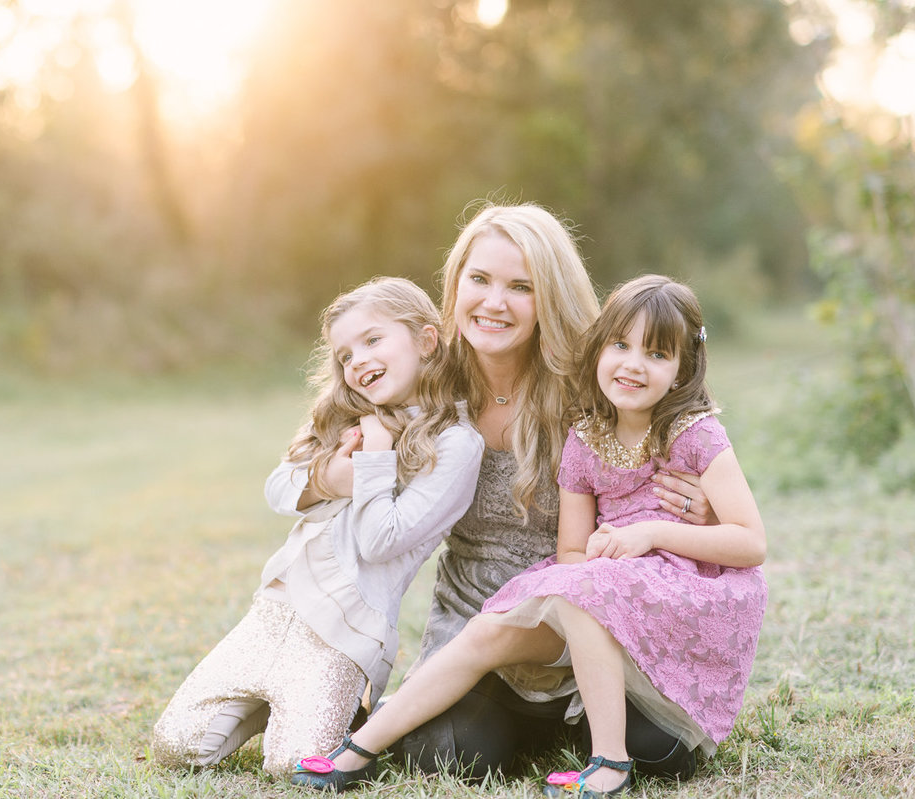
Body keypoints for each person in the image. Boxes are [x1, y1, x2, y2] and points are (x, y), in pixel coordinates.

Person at [291, 274, 768, 797]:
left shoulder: (696, 435)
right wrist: (602, 558)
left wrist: (651, 534)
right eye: (620, 345)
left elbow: (750, 543)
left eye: (656, 354)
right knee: (488, 629)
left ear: (682, 370)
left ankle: (610, 764)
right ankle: (357, 751)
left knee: (587, 595)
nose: (633, 364)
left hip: (680, 596)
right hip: (600, 586)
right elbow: (570, 552)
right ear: (599, 348)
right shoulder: (585, 438)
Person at [363, 204, 712, 781]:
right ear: (455, 286)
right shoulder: (426, 380)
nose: (494, 303)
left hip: (586, 630)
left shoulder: (595, 383)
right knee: (445, 756)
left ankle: (582, 721)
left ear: (547, 297)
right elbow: (323, 445)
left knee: (665, 756)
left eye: (520, 287)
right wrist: (335, 472)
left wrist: (699, 504)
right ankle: (518, 723)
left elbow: (684, 425)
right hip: (481, 631)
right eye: (479, 280)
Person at [150, 277, 485, 776]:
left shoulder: (457, 443)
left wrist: (375, 452)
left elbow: (379, 541)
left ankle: (332, 706)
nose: (358, 362)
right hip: (273, 612)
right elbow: (278, 487)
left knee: (294, 766)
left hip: (344, 632)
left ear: (427, 340)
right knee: (176, 749)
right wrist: (330, 476)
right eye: (345, 355)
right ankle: (272, 703)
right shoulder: (346, 414)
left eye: (373, 340)